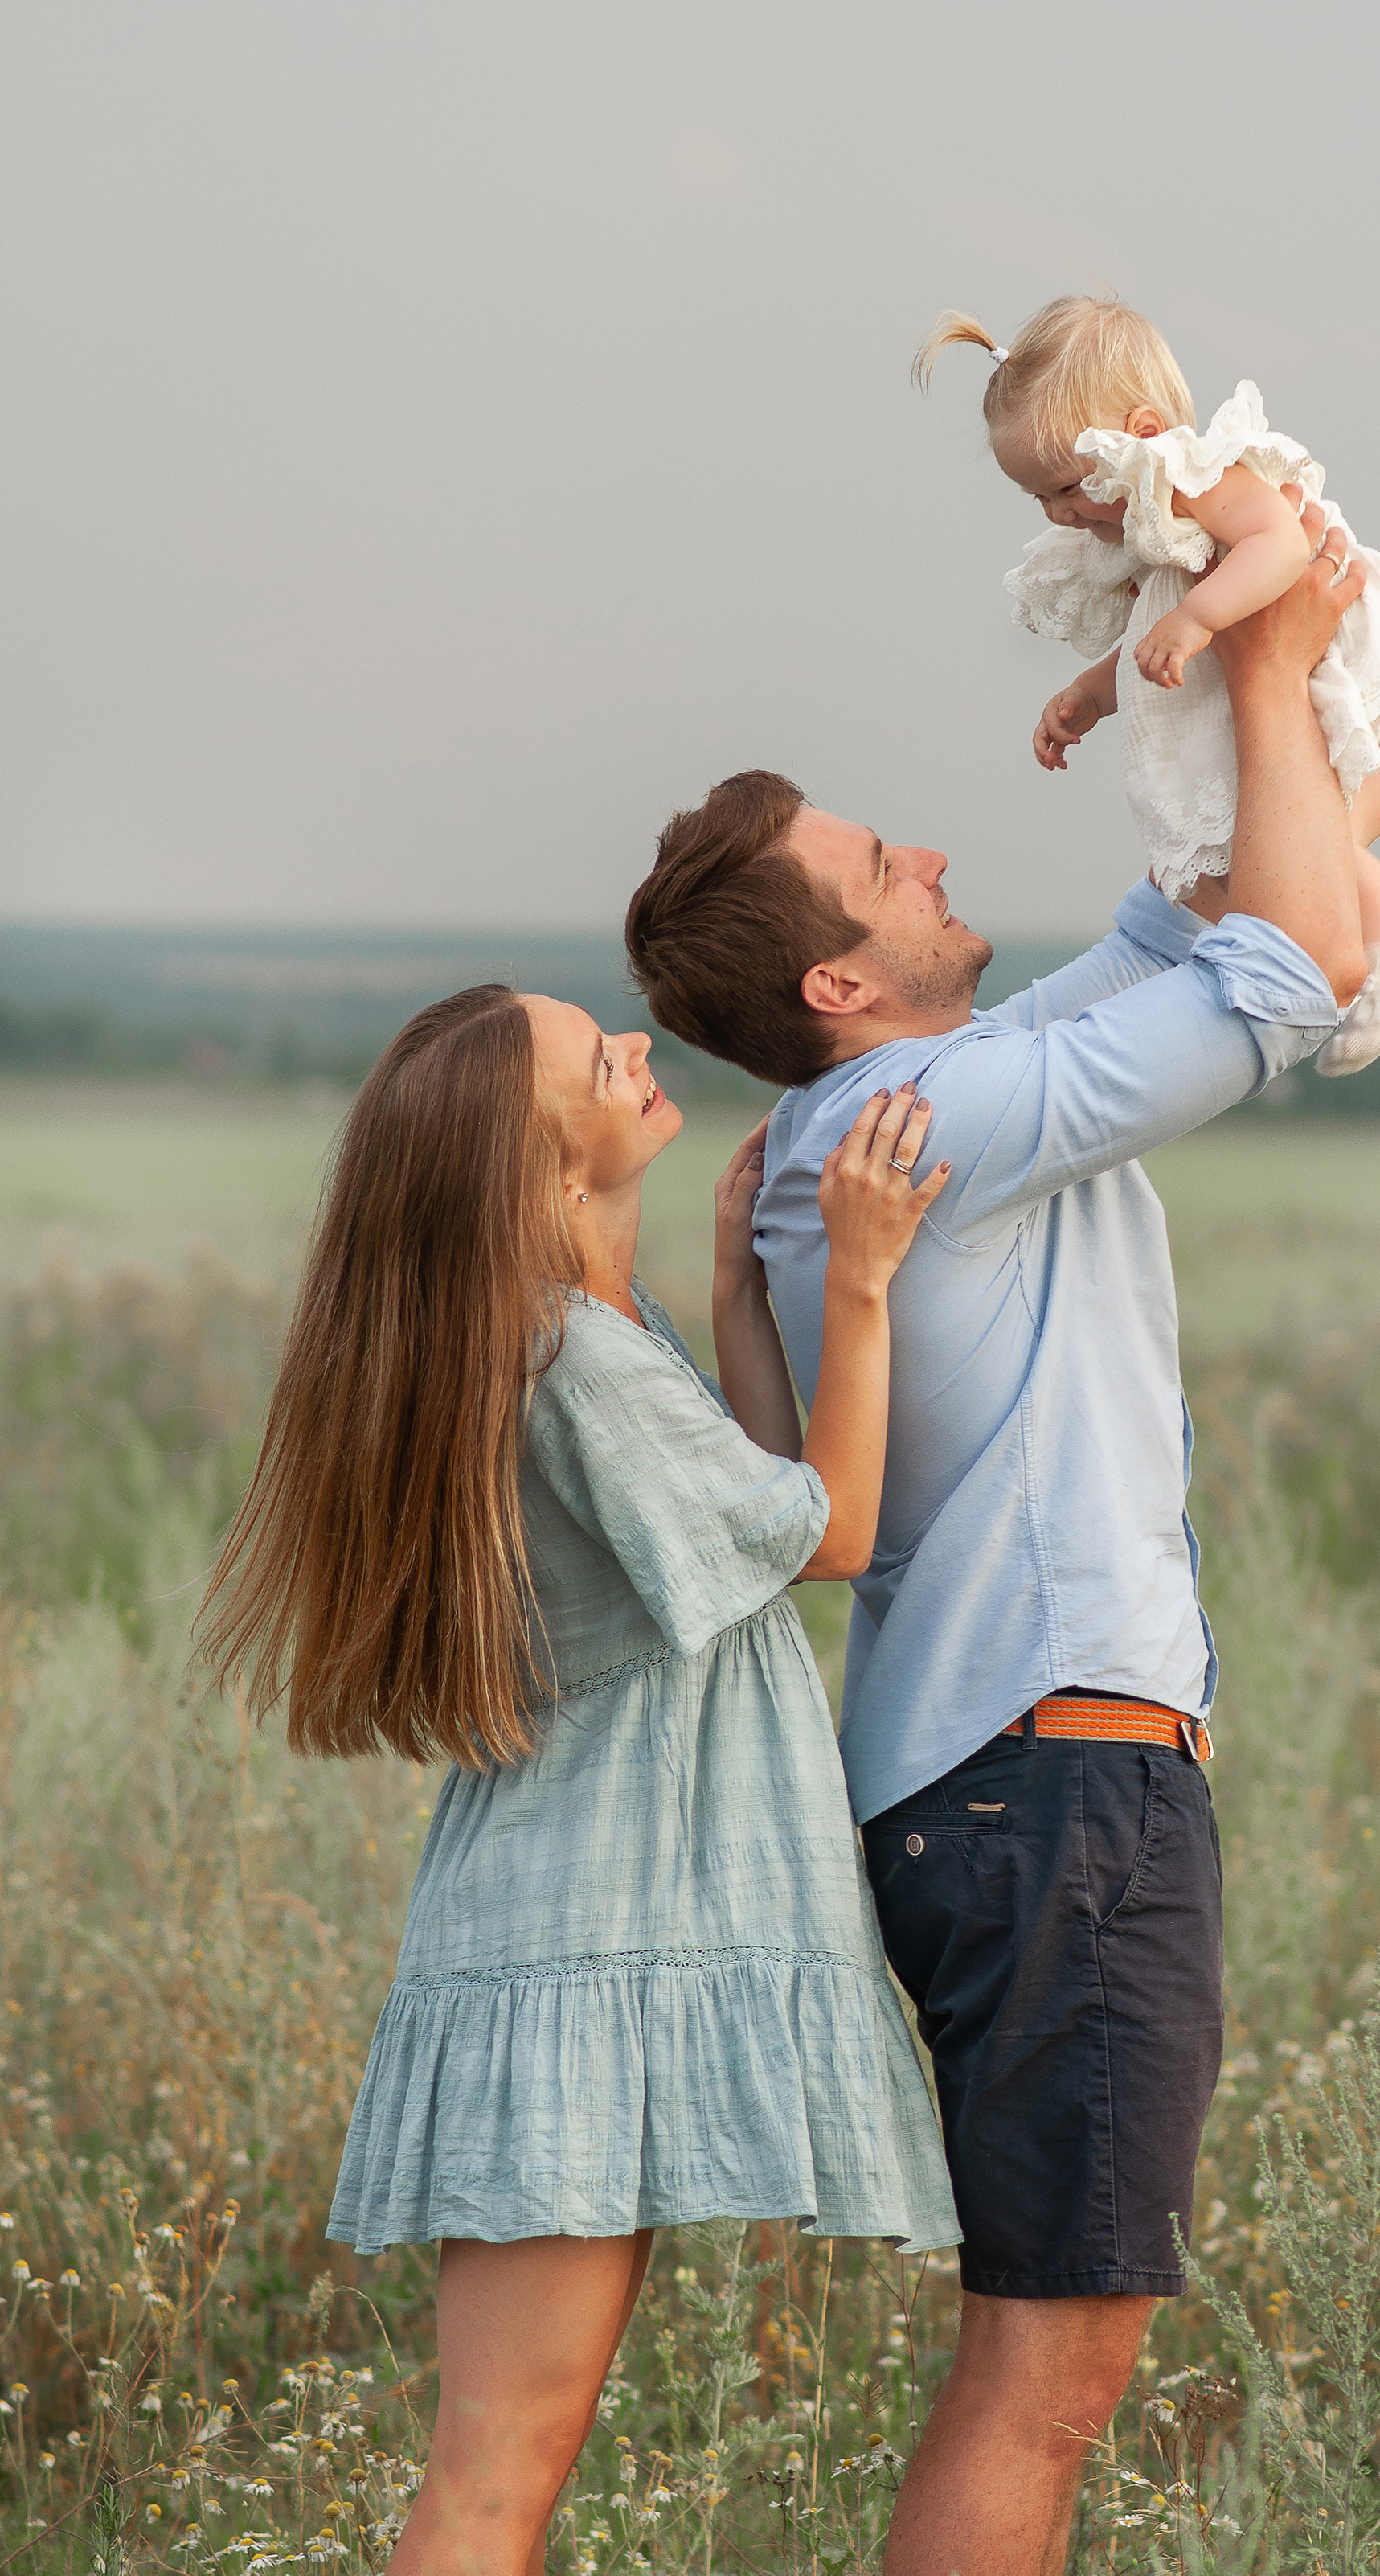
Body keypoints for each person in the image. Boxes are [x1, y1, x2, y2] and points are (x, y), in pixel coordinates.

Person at [623, 525, 1370, 2576]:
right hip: (1058, 1780)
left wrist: (1273, 675)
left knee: (1043, 2349)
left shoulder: (881, 1120)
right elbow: (1285, 974)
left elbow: (1207, 910)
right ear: (838, 985)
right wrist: (1279, 652)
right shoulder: (939, 1123)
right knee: (1046, 2368)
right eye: (886, 865)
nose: (934, 853)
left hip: (993, 1785)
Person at [196, 987, 960, 2576]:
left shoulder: (592, 1334)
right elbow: (825, 1535)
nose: (629, 1043)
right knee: (491, 2485)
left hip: (578, 1926)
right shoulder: (567, 1356)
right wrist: (865, 1283)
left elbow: (746, 1516)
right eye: (588, 1057)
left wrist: (741, 1300)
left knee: (505, 2478)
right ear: (541, 1169)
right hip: (576, 1949)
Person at [919, 293, 1380, 1074]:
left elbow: (1280, 545)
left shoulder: (1196, 475)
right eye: (1039, 497)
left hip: (1363, 682)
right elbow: (1156, 640)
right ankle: (1356, 974)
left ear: (1143, 435)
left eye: (1071, 485)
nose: (1062, 511)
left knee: (1313, 845)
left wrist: (1201, 618)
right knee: (1216, 880)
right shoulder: (1146, 527)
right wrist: (1090, 692)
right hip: (1291, 690)